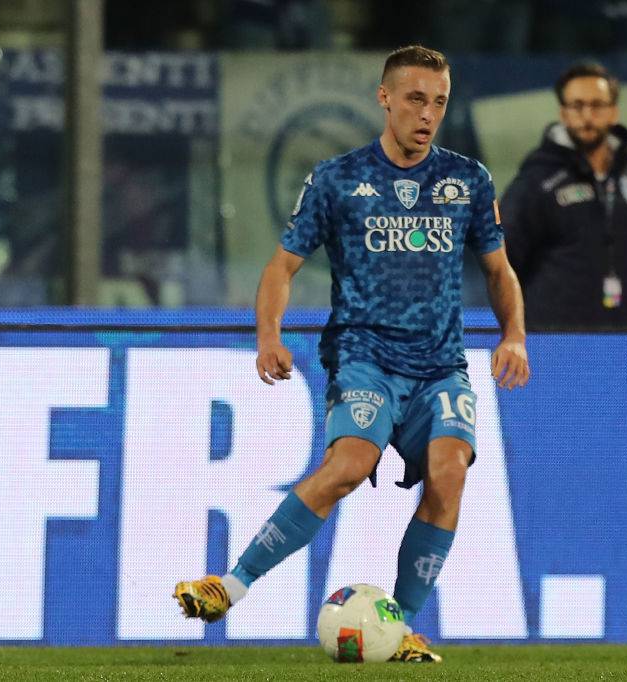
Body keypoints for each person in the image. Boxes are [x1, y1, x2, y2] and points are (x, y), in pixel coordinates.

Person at [173, 45, 530, 663]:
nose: (428, 114)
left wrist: (514, 334)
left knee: (450, 474)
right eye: (415, 99)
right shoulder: (337, 179)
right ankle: (228, 587)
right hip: (364, 357)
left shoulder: (468, 180)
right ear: (384, 98)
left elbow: (498, 270)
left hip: (440, 366)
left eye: (439, 102)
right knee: (347, 465)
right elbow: (282, 266)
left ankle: (401, 627)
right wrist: (269, 335)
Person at [500, 61, 627, 328]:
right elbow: (503, 257)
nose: (587, 116)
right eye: (577, 106)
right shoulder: (537, 180)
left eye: (597, 105)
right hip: (554, 337)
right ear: (563, 113)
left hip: (624, 335)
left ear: (613, 112)